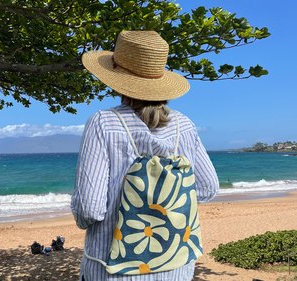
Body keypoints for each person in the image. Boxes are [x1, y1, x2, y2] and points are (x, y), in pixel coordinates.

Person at [71, 30, 219, 281]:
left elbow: (90, 209)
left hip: (111, 270)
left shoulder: (103, 123)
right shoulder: (185, 125)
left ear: (117, 78)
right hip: (177, 268)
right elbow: (208, 188)